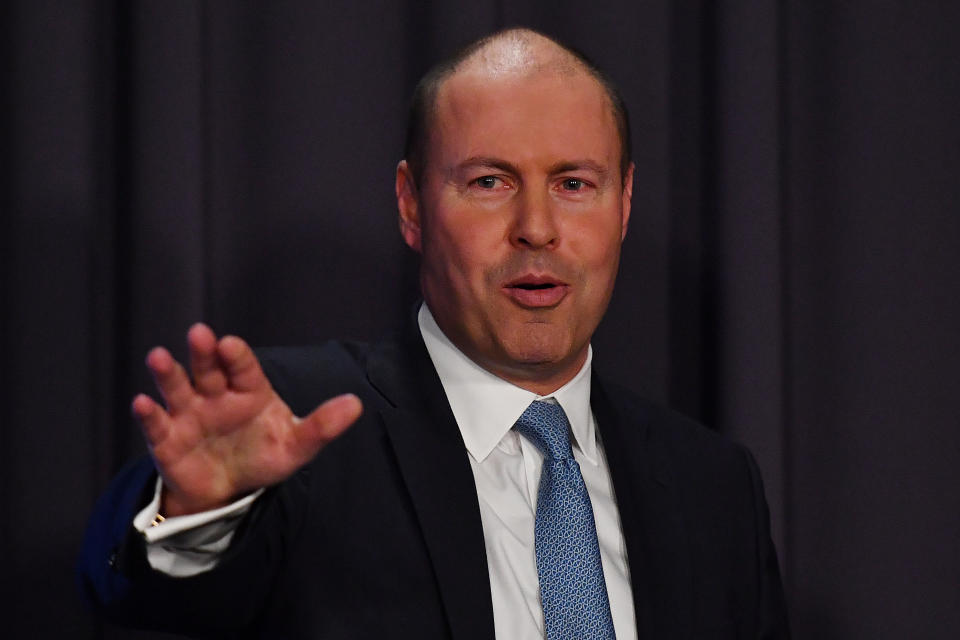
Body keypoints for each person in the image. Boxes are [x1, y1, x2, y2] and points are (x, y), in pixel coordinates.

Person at [79, 28, 790, 639]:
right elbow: (145, 598)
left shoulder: (714, 486)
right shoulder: (293, 431)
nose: (537, 227)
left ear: (625, 204)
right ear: (411, 206)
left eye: (574, 183)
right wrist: (203, 514)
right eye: (490, 182)